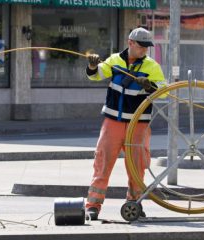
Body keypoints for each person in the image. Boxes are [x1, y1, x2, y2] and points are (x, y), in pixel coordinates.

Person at [85, 27, 166, 220]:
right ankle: (93, 206)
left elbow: (163, 90)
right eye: (142, 46)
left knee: (137, 167)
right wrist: (92, 66)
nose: (145, 50)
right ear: (130, 43)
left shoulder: (152, 66)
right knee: (102, 163)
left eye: (148, 47)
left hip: (139, 124)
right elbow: (95, 76)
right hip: (113, 122)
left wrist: (150, 86)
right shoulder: (114, 61)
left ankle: (135, 204)